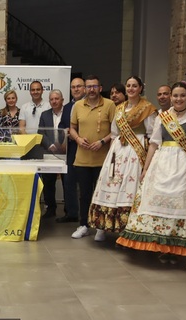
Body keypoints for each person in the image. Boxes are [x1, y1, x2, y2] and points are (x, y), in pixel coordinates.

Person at [116, 82, 186, 264]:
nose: (178, 99)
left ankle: (176, 248)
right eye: (175, 96)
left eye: (182, 95)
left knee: (180, 203)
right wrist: (146, 168)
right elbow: (153, 144)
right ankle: (158, 244)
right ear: (171, 97)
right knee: (156, 199)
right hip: (162, 161)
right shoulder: (162, 116)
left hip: (184, 164)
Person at [88, 76, 157, 241]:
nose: (131, 88)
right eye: (129, 86)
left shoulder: (147, 108)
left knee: (129, 186)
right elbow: (114, 133)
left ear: (140, 88)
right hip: (118, 150)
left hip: (136, 151)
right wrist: (111, 155)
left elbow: (152, 134)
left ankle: (129, 228)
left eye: (135, 86)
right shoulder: (119, 109)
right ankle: (103, 226)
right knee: (110, 183)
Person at [68, 75, 116, 238]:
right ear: (84, 89)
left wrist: (102, 141)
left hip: (103, 159)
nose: (91, 90)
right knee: (84, 194)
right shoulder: (78, 106)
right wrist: (78, 139)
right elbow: (72, 128)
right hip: (82, 158)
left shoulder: (109, 105)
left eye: (94, 86)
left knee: (102, 193)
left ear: (100, 88)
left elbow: (115, 130)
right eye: (88, 87)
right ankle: (84, 225)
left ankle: (101, 227)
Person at [58, 77, 86, 223]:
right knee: (69, 182)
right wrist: (65, 132)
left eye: (79, 86)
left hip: (87, 148)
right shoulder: (67, 107)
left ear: (85, 88)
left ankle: (86, 216)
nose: (76, 89)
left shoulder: (89, 104)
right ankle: (72, 213)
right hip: (71, 148)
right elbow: (62, 125)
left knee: (86, 184)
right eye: (73, 87)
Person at [38, 89, 66, 218]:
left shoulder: (68, 113)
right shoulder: (44, 115)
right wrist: (50, 145)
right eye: (51, 99)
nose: (54, 101)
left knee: (67, 182)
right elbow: (41, 132)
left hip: (66, 152)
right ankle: (50, 209)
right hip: (49, 152)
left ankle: (69, 209)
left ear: (62, 100)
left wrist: (61, 144)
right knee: (48, 183)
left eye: (56, 99)